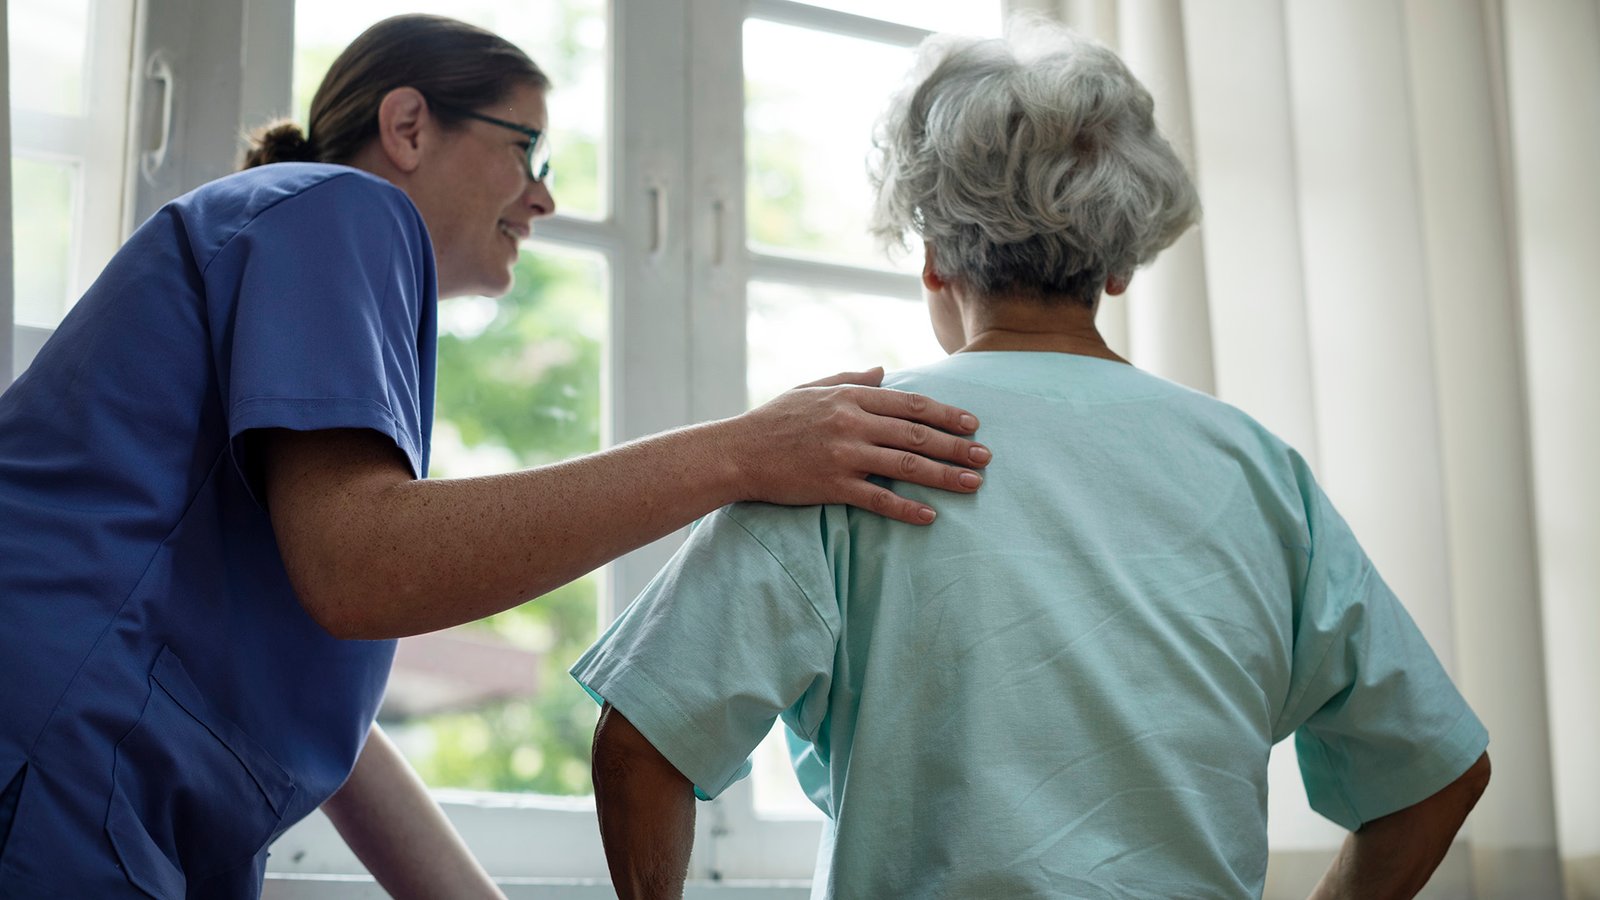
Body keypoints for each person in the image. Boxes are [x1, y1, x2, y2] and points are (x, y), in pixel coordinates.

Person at [0, 14, 995, 899]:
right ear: (407, 126)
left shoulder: (310, 277)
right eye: (528, 150)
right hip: (58, 753)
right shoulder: (338, 209)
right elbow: (365, 565)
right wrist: (742, 452)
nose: (544, 198)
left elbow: (330, 724)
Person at [574, 20, 1491, 900]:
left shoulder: (847, 448)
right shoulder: (1259, 471)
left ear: (934, 256)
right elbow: (1438, 774)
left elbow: (637, 746)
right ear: (1120, 264)